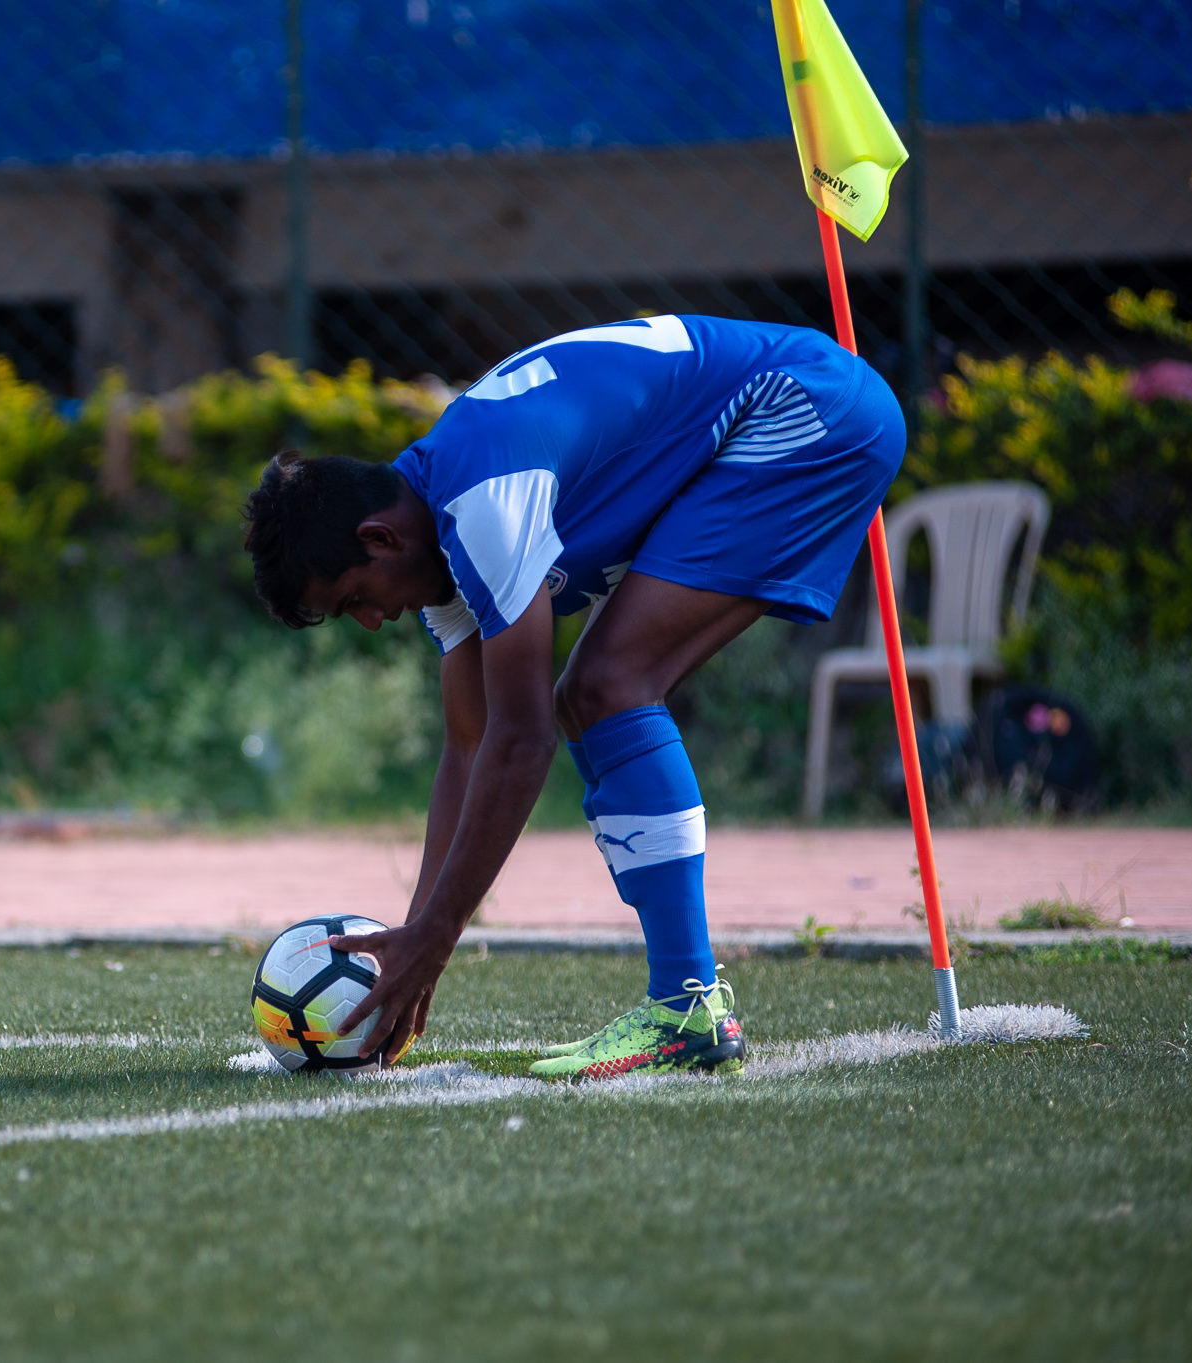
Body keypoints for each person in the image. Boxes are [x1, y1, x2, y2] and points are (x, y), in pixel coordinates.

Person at [241, 314, 904, 1079]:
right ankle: (686, 1004)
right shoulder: (436, 528)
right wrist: (414, 937)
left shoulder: (481, 502)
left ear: (381, 538)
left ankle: (687, 1009)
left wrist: (437, 936)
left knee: (607, 686)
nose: (370, 620)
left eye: (357, 596)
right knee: (597, 690)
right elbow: (468, 744)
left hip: (805, 407)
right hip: (806, 403)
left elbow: (522, 742)